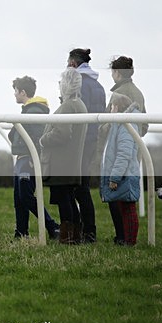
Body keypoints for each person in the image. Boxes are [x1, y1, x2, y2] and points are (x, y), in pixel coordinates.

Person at [99, 55, 148, 244]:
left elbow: (106, 123)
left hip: (118, 150)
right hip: (133, 151)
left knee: (116, 197)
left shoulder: (117, 95)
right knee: (128, 201)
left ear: (117, 73)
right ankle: (125, 238)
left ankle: (122, 238)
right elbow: (144, 126)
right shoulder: (139, 93)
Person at [39, 67, 88, 244]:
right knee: (69, 199)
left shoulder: (68, 106)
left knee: (64, 200)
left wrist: (43, 140)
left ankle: (67, 237)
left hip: (61, 163)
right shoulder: (80, 104)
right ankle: (75, 235)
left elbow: (62, 134)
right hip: (71, 162)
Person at [8, 76, 60, 239]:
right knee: (19, 197)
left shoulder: (34, 111)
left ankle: (52, 227)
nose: (14, 95)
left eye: (16, 91)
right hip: (22, 158)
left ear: (23, 92)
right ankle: (21, 233)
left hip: (28, 160)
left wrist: (34, 157)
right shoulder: (27, 110)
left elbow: (38, 138)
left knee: (26, 196)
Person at [66, 48, 106, 243]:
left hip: (80, 141)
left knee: (79, 188)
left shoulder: (79, 83)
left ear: (73, 63)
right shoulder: (98, 85)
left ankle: (87, 232)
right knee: (82, 186)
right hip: (92, 139)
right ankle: (87, 231)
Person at [100, 92, 142, 246]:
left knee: (128, 209)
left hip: (125, 175)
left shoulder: (126, 124)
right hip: (124, 173)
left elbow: (124, 154)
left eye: (111, 106)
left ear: (116, 107)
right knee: (125, 208)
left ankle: (130, 242)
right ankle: (125, 240)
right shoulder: (121, 124)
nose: (110, 110)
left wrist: (114, 177)